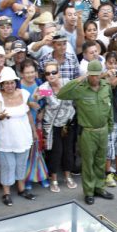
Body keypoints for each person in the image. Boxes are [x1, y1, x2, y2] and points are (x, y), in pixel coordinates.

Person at [57, 60, 114, 205]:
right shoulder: (81, 89)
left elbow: (109, 108)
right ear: (88, 75)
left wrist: (110, 126)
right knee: (88, 163)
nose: (94, 79)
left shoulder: (106, 87)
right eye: (92, 76)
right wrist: (79, 79)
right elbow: (61, 94)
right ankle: (89, 191)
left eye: (97, 75)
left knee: (101, 161)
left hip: (103, 130)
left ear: (101, 74)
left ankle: (99, 187)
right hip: (87, 132)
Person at [0, 67, 37, 207]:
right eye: (6, 83)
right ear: (2, 85)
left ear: (15, 82)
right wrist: (1, 115)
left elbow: (29, 113)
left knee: (21, 164)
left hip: (23, 136)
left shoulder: (24, 93)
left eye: (11, 82)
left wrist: (34, 131)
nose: (9, 86)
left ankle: (21, 189)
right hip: (5, 139)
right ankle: (6, 193)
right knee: (7, 165)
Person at [35, 61, 76, 194]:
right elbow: (34, 98)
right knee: (55, 152)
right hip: (52, 124)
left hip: (68, 122)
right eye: (48, 73)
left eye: (54, 72)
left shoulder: (67, 83)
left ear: (59, 72)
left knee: (68, 150)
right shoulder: (45, 87)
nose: (51, 75)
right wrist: (37, 97)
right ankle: (53, 179)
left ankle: (67, 176)